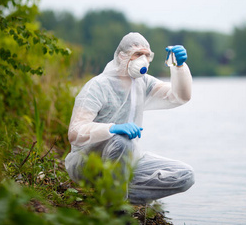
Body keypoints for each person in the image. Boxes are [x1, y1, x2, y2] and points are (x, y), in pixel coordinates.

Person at [65, 32, 195, 204]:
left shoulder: (143, 83)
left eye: (147, 55)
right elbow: (75, 132)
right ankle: (114, 209)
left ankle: (114, 195)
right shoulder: (97, 86)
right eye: (138, 54)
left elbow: (179, 96)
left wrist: (179, 67)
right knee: (121, 141)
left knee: (185, 175)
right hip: (89, 162)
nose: (143, 59)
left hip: (126, 159)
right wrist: (110, 129)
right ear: (122, 56)